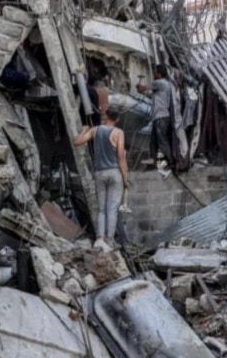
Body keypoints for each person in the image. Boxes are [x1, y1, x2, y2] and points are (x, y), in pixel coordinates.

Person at [74, 108, 129, 252]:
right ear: (117, 119)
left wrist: (84, 130)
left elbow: (78, 142)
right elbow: (121, 156)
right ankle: (110, 242)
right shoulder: (118, 133)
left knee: (101, 209)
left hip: (99, 173)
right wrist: (125, 177)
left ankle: (100, 239)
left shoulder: (95, 130)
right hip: (114, 173)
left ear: (105, 117)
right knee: (112, 209)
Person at [137, 64, 174, 176]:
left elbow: (144, 88)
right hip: (159, 116)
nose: (153, 73)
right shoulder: (164, 84)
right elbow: (148, 93)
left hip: (161, 117)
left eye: (154, 71)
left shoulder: (159, 82)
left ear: (159, 73)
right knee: (153, 142)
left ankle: (170, 162)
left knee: (161, 141)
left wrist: (139, 87)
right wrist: (141, 90)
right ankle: (154, 162)